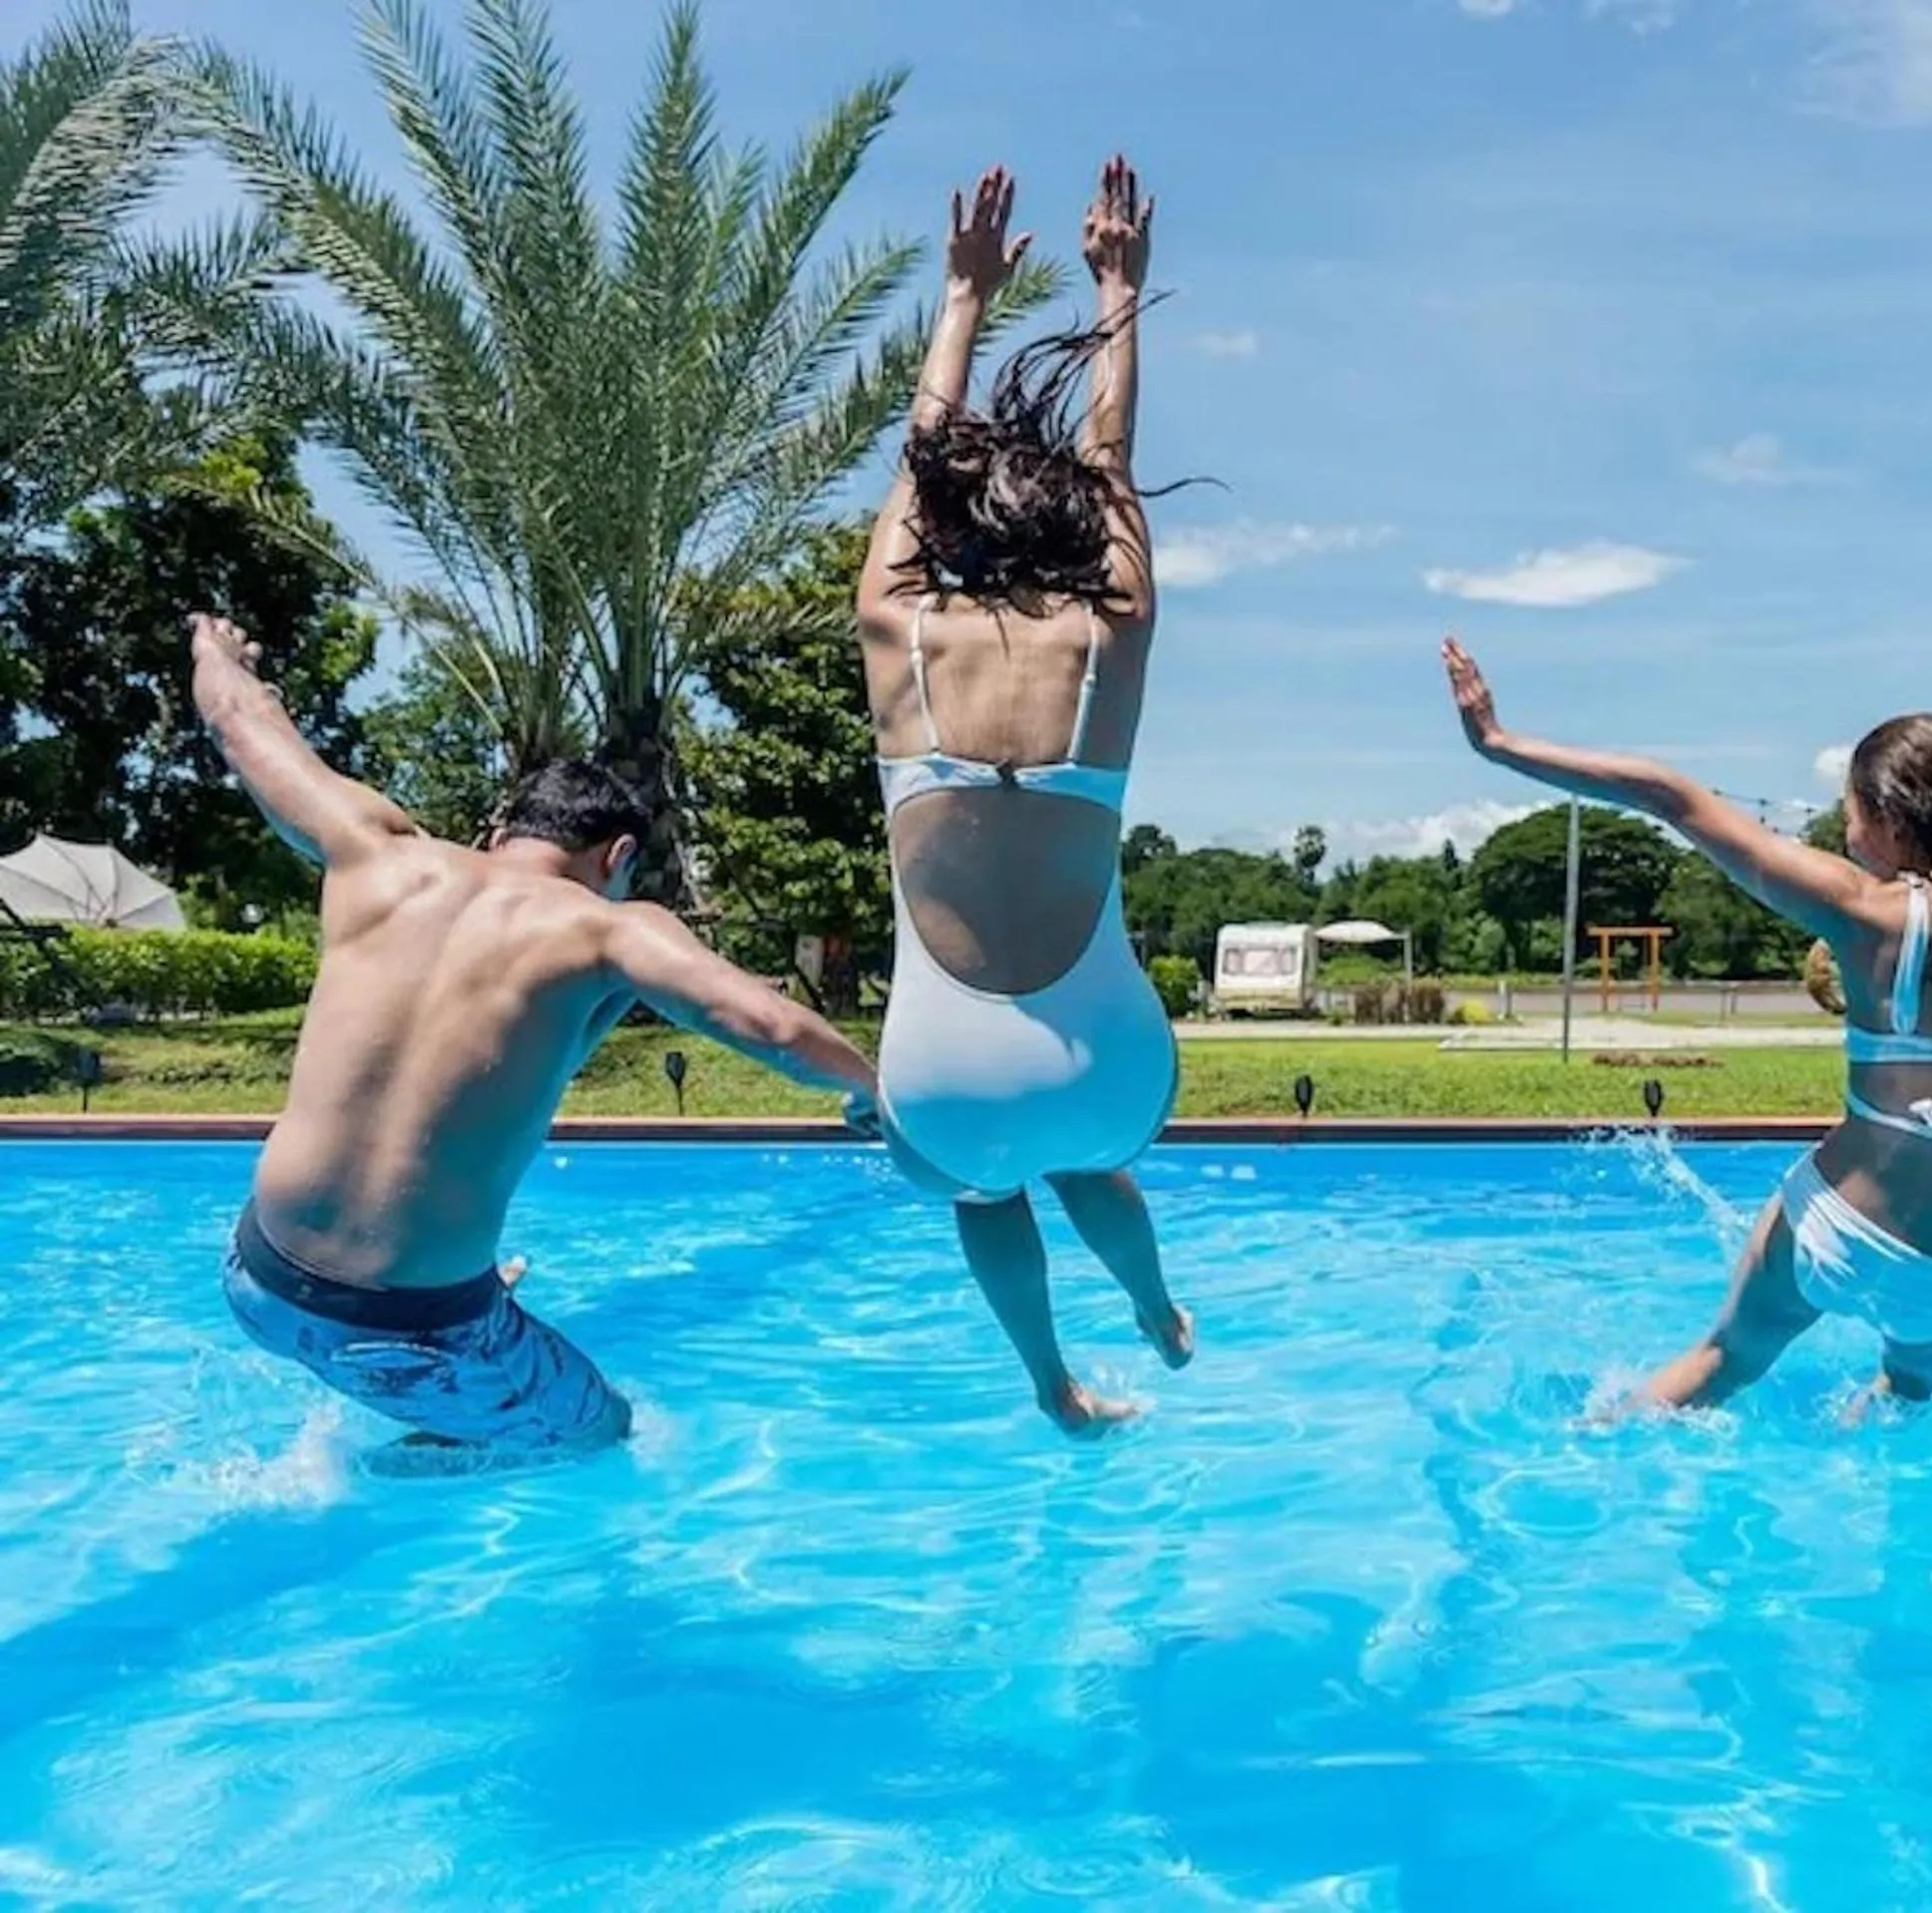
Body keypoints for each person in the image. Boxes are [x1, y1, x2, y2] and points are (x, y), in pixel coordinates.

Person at [190, 613, 882, 1472]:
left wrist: (218, 651)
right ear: (617, 853)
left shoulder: (374, 850)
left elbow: (240, 723)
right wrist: (868, 1092)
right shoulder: (607, 929)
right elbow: (770, 1025)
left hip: (257, 1281)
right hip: (414, 1333)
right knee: (606, 1434)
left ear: (500, 832)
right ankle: (403, 1463)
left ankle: (455, 1299)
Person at [1441, 623, 1932, 1414]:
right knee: (1907, 1393)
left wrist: (1500, 744)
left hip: (1842, 1228)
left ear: (1892, 821)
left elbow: (1671, 797)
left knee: (1722, 1363)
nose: (1848, 836)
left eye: (1851, 814)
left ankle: (1587, 1445)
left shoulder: (1871, 913)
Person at [853, 159, 1191, 1435]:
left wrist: (961, 297)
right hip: (1109, 1060)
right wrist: (1119, 296)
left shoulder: (895, 628)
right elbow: (1114, 466)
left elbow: (919, 464)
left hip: (942, 1076)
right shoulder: (1114, 634)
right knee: (1094, 1154)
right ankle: (1156, 1307)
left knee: (985, 1189)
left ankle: (1052, 1383)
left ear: (947, 529)